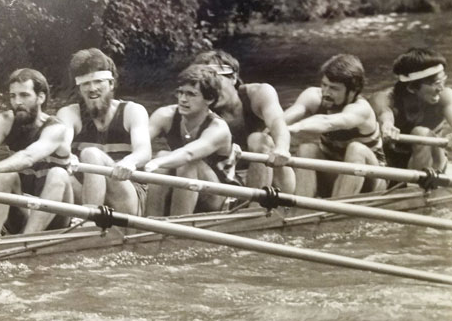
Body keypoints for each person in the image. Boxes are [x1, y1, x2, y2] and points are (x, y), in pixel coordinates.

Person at [57, 48, 151, 215]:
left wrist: (129, 161)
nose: (92, 88)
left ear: (111, 84)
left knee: (91, 154)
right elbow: (62, 144)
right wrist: (65, 155)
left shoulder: (133, 111)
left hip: (127, 193)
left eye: (98, 81)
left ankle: (88, 223)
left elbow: (144, 151)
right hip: (85, 191)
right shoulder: (69, 113)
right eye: (85, 83)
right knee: (57, 174)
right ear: (79, 89)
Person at [0, 69, 73, 235]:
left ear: (40, 97)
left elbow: (28, 157)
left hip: (55, 214)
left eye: (24, 95)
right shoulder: (5, 121)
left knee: (57, 174)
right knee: (5, 175)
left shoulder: (56, 128)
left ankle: (25, 240)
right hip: (23, 207)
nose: (17, 102)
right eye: (13, 96)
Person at [145, 64, 242, 216]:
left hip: (219, 196)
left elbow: (188, 154)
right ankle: (150, 222)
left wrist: (156, 162)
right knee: (163, 155)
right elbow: (139, 144)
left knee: (185, 163)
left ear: (209, 99)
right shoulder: (165, 115)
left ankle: (178, 224)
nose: (183, 99)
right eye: (180, 93)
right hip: (185, 187)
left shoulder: (218, 128)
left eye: (191, 94)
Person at [284, 54, 386, 198]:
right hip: (336, 174)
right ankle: (301, 210)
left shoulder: (361, 109)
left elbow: (327, 122)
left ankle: (335, 212)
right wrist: (274, 130)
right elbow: (284, 117)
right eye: (324, 85)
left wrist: (297, 127)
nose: (326, 92)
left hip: (372, 180)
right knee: (307, 149)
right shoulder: (314, 96)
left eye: (334, 88)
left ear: (352, 91)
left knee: (356, 149)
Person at [192, 50, 294, 194]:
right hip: (227, 178)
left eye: (216, 81)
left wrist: (282, 148)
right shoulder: (198, 104)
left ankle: (255, 208)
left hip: (272, 177)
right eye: (205, 85)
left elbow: (277, 122)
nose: (211, 90)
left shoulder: (259, 93)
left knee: (258, 139)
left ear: (233, 77)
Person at [370, 47, 452, 172]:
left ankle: (420, 186)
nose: (441, 88)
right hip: (392, 165)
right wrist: (387, 124)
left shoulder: (445, 96)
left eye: (443, 80)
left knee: (420, 132)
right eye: (436, 83)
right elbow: (384, 113)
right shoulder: (384, 98)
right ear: (412, 88)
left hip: (434, 163)